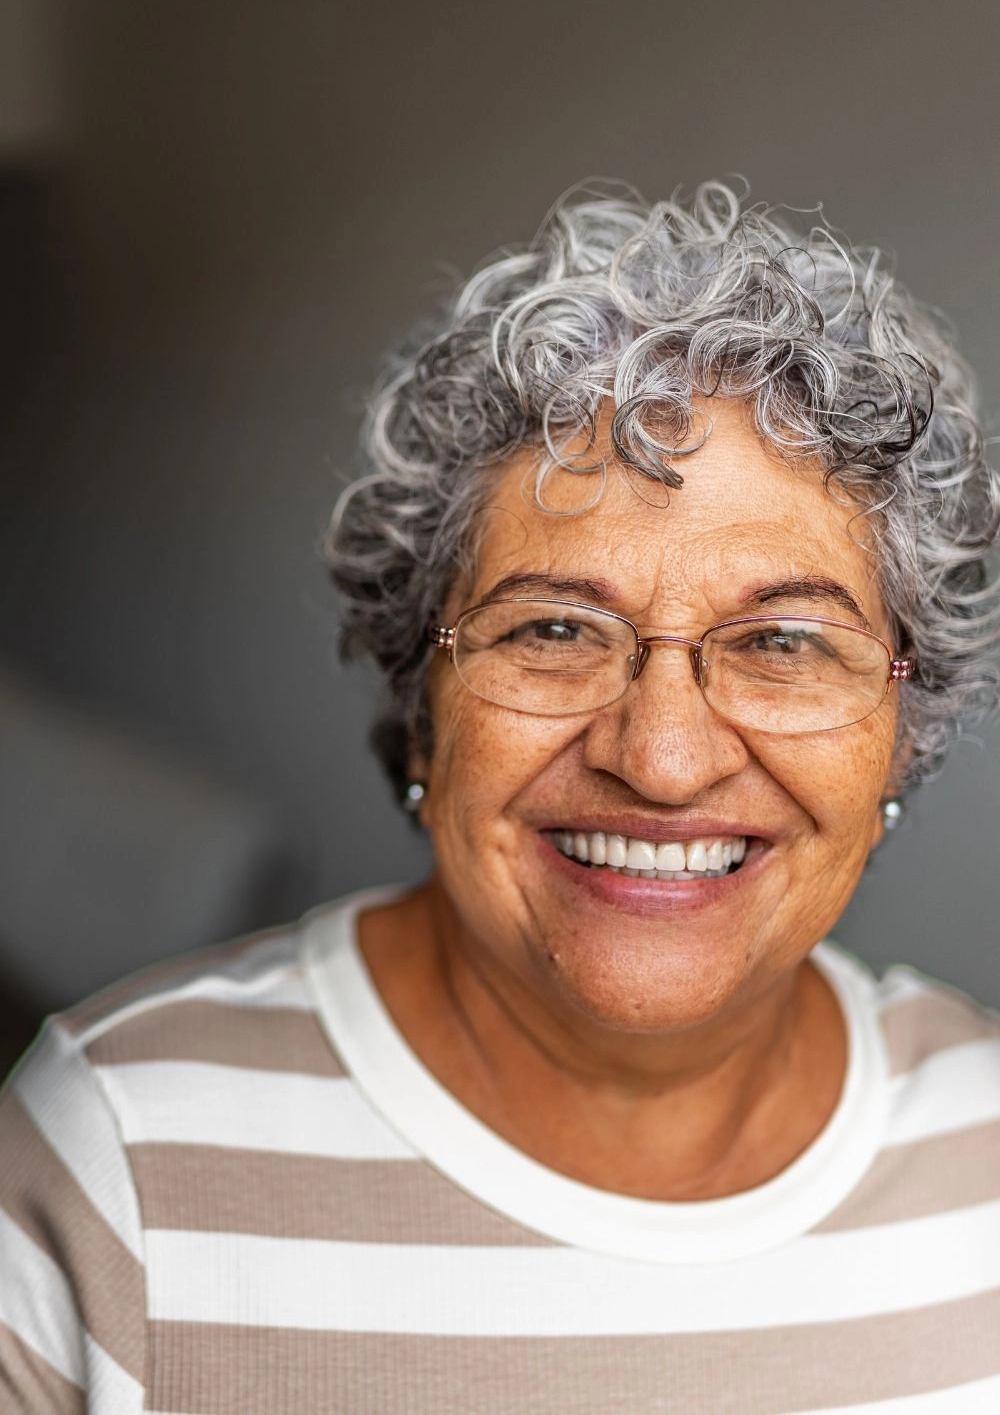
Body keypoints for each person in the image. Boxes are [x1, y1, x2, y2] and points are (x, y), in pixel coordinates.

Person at [2, 182, 1000, 1414]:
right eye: (555, 628)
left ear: (904, 729)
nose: (664, 757)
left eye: (782, 642)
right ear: (424, 692)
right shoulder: (109, 1165)